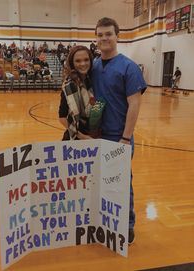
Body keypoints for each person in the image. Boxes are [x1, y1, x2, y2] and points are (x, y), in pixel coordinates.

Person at [92, 17, 147, 245]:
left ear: (118, 36)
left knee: (122, 182)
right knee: (100, 181)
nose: (104, 38)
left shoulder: (129, 67)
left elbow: (134, 104)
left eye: (108, 34)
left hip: (119, 137)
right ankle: (105, 219)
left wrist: (125, 137)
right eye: (100, 34)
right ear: (96, 38)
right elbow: (96, 98)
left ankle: (127, 224)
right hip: (97, 136)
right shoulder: (94, 65)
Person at [58, 45, 95, 140]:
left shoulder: (91, 81)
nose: (83, 64)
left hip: (92, 136)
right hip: (74, 139)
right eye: (78, 61)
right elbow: (62, 118)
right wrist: (81, 136)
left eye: (86, 60)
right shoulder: (69, 86)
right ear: (72, 63)